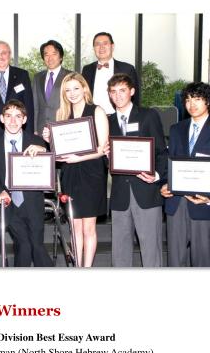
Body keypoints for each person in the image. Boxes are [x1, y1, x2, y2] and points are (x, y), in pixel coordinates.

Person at [42, 72, 109, 267]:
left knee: (89, 228)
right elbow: (59, 152)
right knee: (74, 226)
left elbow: (102, 149)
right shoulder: (62, 114)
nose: (72, 93)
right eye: (68, 90)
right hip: (70, 173)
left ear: (84, 89)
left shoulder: (97, 111)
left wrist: (78, 157)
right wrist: (49, 140)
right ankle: (77, 268)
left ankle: (86, 269)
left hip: (92, 172)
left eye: (76, 88)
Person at [106, 73, 167, 267]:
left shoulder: (148, 115)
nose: (117, 95)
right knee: (120, 253)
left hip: (146, 191)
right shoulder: (107, 121)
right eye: (113, 91)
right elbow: (105, 162)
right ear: (109, 94)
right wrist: (106, 157)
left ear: (132, 91)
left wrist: (157, 176)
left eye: (122, 90)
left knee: (151, 251)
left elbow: (161, 152)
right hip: (120, 194)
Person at [0, 99, 53, 267]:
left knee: (37, 244)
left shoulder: (36, 141)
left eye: (18, 116)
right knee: (24, 244)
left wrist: (45, 150)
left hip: (32, 201)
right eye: (8, 116)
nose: (13, 121)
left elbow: (54, 163)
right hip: (8, 202)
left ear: (25, 119)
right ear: (2, 119)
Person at [161, 82, 210, 267]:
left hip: (203, 205)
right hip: (176, 203)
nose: (192, 104)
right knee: (175, 260)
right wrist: (164, 184)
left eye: (197, 99)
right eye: (188, 100)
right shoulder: (176, 129)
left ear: (207, 101)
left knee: (203, 260)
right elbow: (169, 163)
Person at [82, 32, 140, 114]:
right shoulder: (87, 70)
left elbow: (135, 98)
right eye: (97, 44)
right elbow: (84, 96)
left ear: (112, 46)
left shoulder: (127, 69)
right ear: (94, 48)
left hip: (119, 117)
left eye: (105, 43)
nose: (101, 47)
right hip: (94, 117)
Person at [32, 39, 72, 135]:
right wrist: (35, 129)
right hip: (41, 130)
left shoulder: (70, 76)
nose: (50, 58)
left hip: (63, 128)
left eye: (54, 54)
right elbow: (35, 106)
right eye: (46, 55)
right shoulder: (37, 77)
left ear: (61, 57)